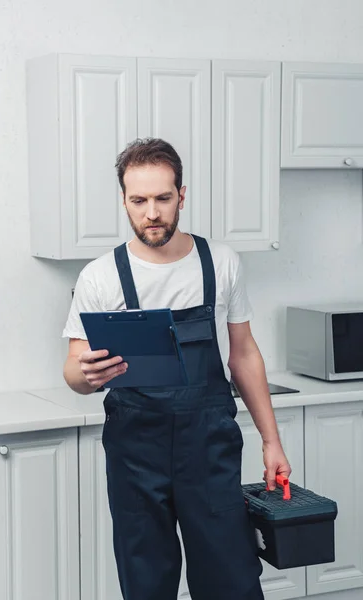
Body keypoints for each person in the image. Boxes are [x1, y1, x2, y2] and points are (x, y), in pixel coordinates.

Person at [63, 138, 291, 600]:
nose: (151, 213)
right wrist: (84, 376)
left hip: (208, 447)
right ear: (124, 200)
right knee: (146, 580)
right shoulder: (100, 276)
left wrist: (272, 441)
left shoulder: (220, 262)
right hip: (134, 451)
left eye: (163, 199)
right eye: (139, 200)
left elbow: (243, 354)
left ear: (181, 196)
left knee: (230, 578)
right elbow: (73, 369)